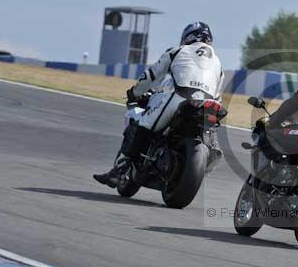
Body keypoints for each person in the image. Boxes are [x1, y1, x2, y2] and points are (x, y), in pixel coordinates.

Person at [93, 22, 224, 188]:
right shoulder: (219, 64)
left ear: (188, 37)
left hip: (180, 98)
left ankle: (120, 171)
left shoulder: (178, 51)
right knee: (212, 143)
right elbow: (218, 95)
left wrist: (134, 93)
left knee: (143, 124)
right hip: (209, 105)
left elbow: (151, 75)